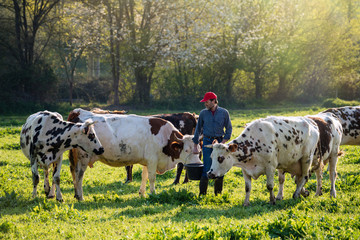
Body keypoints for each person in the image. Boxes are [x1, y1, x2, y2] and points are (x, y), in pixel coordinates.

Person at [192, 92, 232, 196]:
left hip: (220, 142)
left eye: (207, 101)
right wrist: (195, 145)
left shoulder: (224, 113)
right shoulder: (203, 113)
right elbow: (198, 129)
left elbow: (229, 128)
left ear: (214, 101)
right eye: (205, 102)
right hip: (207, 142)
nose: (205, 103)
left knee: (220, 167)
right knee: (207, 167)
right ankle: (202, 194)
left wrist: (222, 142)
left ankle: (218, 195)